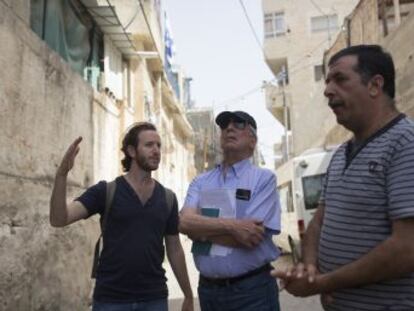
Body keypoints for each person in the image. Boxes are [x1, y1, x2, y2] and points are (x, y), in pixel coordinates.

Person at [273, 45, 414, 310]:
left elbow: (407, 248)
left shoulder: (405, 143)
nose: (327, 90)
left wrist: (325, 283)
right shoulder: (340, 155)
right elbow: (317, 224)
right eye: (327, 81)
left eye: (339, 79)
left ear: (375, 85)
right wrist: (310, 268)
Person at [49, 122, 194, 311]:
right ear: (132, 151)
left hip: (154, 298)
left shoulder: (167, 198)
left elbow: (174, 249)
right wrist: (61, 175)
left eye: (159, 145)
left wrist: (188, 295)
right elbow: (59, 219)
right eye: (149, 145)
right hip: (111, 299)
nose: (156, 150)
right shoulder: (106, 191)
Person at [179, 111, 281, 311]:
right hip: (208, 292)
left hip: (252, 292)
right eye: (225, 125)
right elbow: (183, 222)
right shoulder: (201, 181)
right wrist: (233, 225)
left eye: (239, 124)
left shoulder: (263, 179)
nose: (229, 128)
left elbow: (250, 237)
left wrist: (200, 231)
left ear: (253, 141)